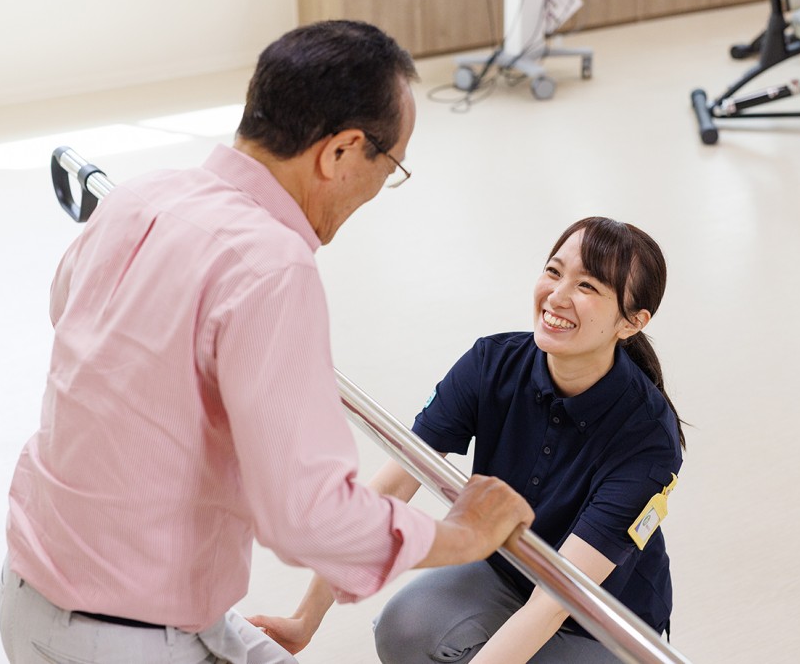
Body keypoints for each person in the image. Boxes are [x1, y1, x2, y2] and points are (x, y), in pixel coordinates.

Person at [0, 20, 533, 664]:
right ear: (341, 152)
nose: (378, 188)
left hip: (32, 590)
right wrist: (460, 535)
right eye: (389, 165)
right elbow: (307, 515)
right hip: (126, 636)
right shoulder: (272, 268)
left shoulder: (139, 197)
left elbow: (69, 317)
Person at [251, 216, 685, 663]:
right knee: (406, 628)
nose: (556, 296)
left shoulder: (649, 440)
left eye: (588, 287)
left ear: (632, 323)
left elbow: (557, 598)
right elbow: (391, 489)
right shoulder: (491, 363)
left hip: (599, 622)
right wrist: (305, 619)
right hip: (507, 572)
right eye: (554, 272)